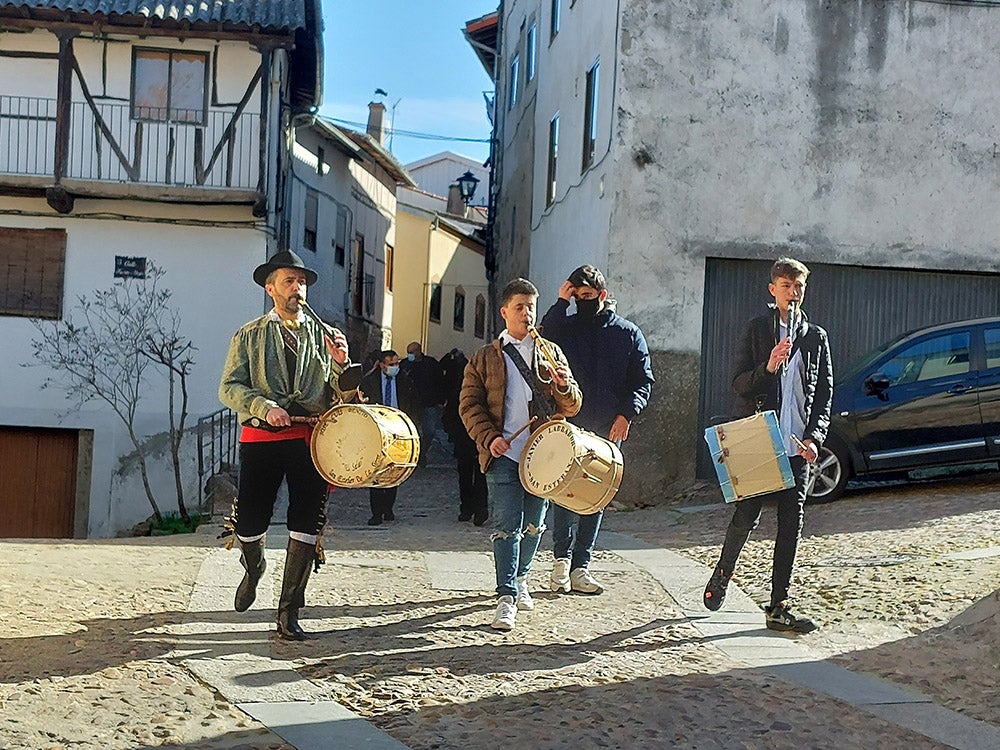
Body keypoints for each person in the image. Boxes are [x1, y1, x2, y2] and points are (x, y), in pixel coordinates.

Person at [219, 250, 353, 641]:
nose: (298, 288)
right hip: (261, 437)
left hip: (308, 440)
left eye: (302, 282)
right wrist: (264, 406)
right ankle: (254, 566)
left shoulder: (322, 335)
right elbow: (228, 387)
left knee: (307, 521)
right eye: (290, 281)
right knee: (249, 523)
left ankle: (288, 612)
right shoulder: (249, 334)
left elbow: (341, 391)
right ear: (271, 287)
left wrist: (341, 363)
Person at [703, 257, 833, 633]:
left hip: (798, 445)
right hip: (761, 437)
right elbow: (738, 383)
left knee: (791, 524)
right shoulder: (757, 330)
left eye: (799, 287)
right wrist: (769, 367)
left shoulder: (815, 336)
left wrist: (815, 437)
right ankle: (722, 575)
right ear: (772, 289)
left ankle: (778, 606)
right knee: (747, 514)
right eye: (786, 286)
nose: (793, 294)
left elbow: (823, 395)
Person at [460, 278, 583, 632]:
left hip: (544, 455)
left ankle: (523, 576)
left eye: (531, 306)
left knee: (534, 525)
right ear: (504, 312)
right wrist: (489, 438)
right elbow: (469, 406)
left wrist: (563, 385)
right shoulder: (484, 357)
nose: (527, 314)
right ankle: (506, 597)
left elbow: (573, 405)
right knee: (506, 526)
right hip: (504, 452)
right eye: (520, 307)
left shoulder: (552, 352)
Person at [539, 265, 655, 596]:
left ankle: (581, 566)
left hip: (607, 426)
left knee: (596, 496)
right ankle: (560, 560)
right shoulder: (567, 327)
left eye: (587, 296)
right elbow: (544, 338)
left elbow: (642, 380)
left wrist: (627, 415)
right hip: (569, 423)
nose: (582, 301)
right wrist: (561, 302)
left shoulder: (628, 333)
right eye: (577, 296)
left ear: (602, 296)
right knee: (562, 491)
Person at [360, 349, 419, 526]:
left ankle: (388, 507)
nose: (395, 367)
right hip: (376, 430)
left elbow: (412, 402)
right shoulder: (369, 381)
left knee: (395, 468)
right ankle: (376, 511)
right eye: (391, 364)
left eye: (397, 363)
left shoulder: (404, 380)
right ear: (382, 365)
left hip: (398, 428)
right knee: (376, 469)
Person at [440, 348, 488, 526]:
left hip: (480, 440)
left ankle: (478, 509)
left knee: (479, 475)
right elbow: (449, 416)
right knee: (467, 476)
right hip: (464, 440)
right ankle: (469, 508)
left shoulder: (486, 390)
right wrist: (454, 435)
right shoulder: (457, 392)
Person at [401, 341, 446, 465]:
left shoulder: (431, 364)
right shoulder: (405, 364)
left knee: (429, 431)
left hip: (429, 403)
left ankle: (422, 452)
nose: (409, 355)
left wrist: (440, 400)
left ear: (418, 351)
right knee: (412, 431)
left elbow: (440, 381)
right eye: (408, 352)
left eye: (411, 352)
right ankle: (414, 455)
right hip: (411, 405)